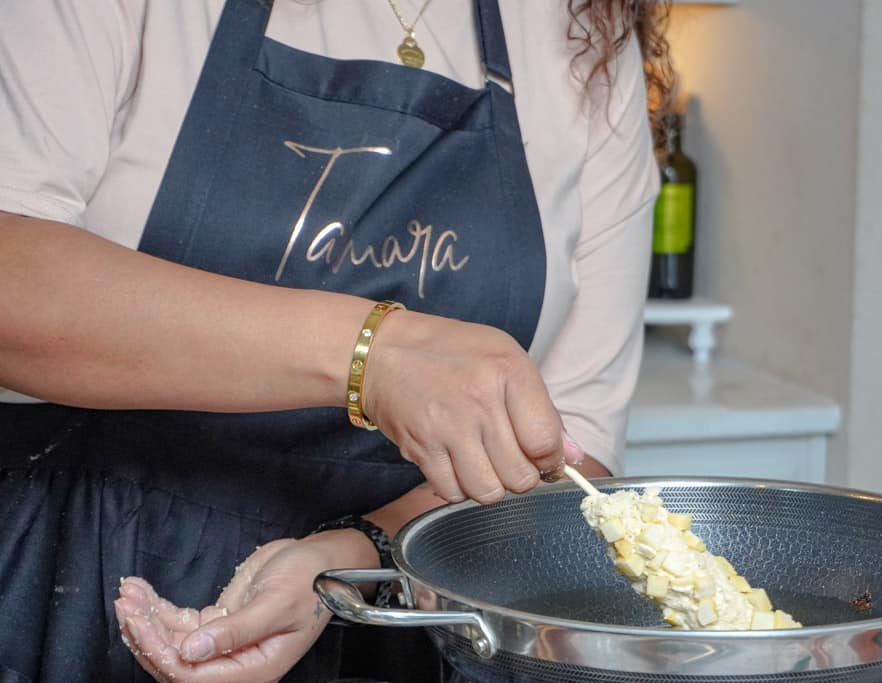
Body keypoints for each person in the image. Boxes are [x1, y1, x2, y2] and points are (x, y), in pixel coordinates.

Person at [0, 0, 671, 680]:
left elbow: (574, 454)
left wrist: (359, 554)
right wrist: (372, 355)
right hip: (85, 575)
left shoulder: (586, 26)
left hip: (408, 619)